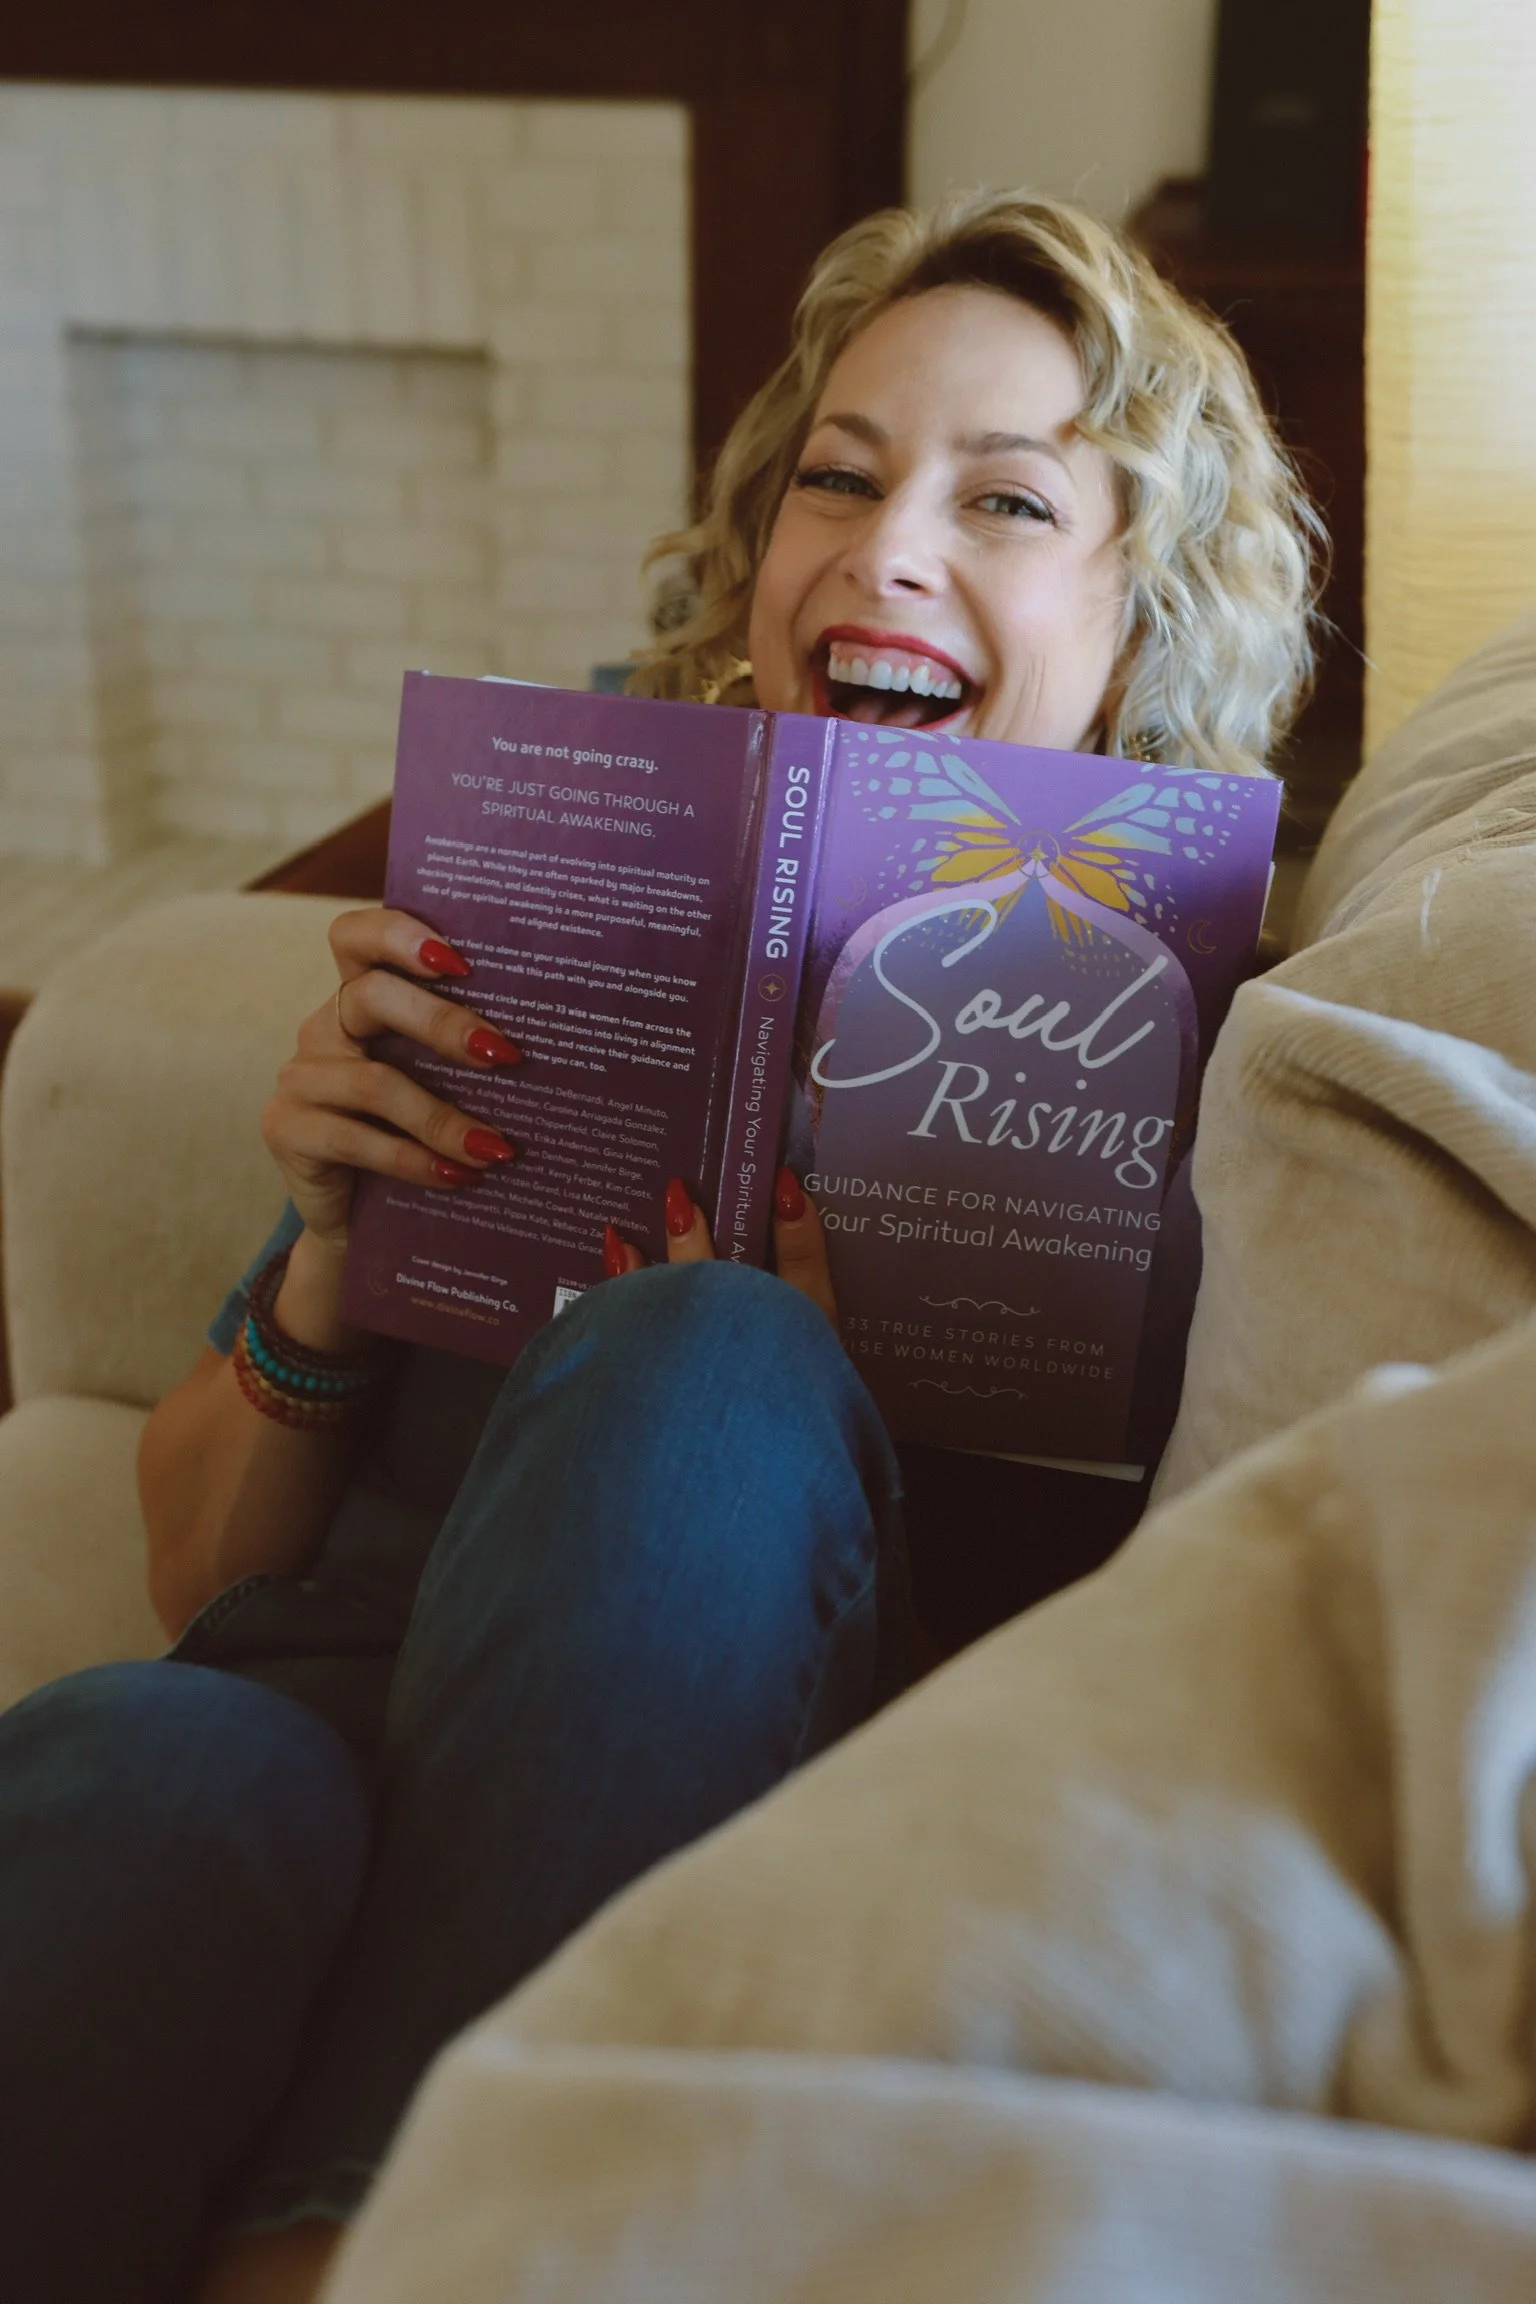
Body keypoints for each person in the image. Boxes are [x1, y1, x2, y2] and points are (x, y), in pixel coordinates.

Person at [0, 191, 1318, 2304]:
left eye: (1006, 500)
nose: (888, 549)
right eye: (841, 475)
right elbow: (202, 1586)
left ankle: (384, 2247)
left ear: (1143, 620)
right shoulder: (579, 901)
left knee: (701, 1361)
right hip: (329, 1706)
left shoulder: (1192, 1046)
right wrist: (334, 1252)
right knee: (159, 1754)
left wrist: (817, 1383)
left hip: (750, 1765)